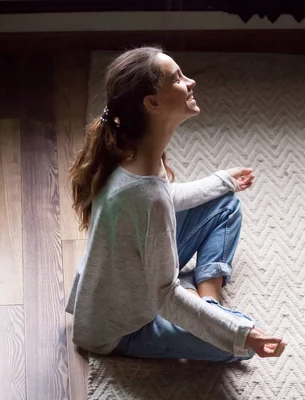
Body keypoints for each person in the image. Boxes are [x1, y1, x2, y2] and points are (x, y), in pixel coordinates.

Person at [66, 46, 286, 362]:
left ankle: (208, 301)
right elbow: (165, 295)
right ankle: (209, 307)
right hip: (120, 327)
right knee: (238, 346)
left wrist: (222, 181)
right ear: (152, 103)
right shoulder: (147, 196)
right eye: (178, 78)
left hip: (131, 276)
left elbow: (164, 198)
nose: (191, 82)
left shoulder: (129, 152)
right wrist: (242, 334)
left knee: (225, 204)